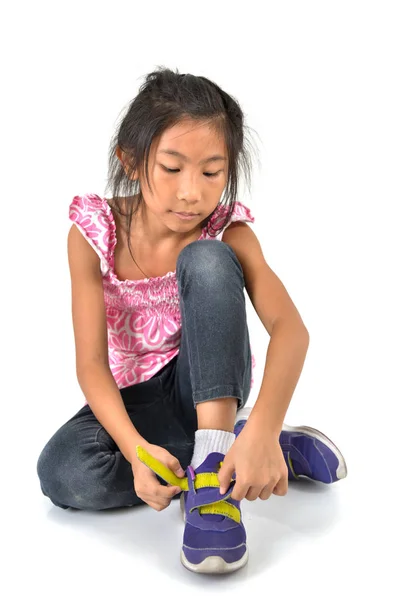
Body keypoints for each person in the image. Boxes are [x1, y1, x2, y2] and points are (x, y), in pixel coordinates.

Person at [36, 66, 347, 575]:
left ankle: (219, 467)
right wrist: (135, 452)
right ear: (133, 162)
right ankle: (245, 451)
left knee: (204, 257)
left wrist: (264, 423)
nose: (191, 193)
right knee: (63, 473)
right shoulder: (93, 230)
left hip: (206, 386)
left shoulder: (227, 232)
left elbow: (292, 332)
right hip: (136, 401)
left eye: (211, 173)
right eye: (172, 168)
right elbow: (91, 364)